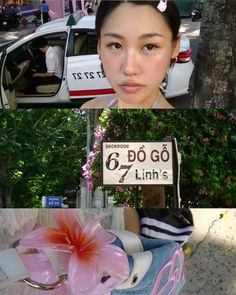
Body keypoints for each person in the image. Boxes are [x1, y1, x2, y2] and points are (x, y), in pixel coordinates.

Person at [81, 0, 180, 109]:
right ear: (99, 46)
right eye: (116, 45)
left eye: (149, 46)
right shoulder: (89, 106)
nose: (129, 69)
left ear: (174, 46)